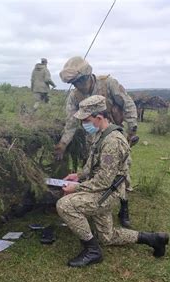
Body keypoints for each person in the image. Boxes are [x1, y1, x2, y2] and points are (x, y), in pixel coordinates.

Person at [56, 95, 169, 267]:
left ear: (99, 118)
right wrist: (78, 176)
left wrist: (76, 187)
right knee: (107, 237)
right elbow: (93, 166)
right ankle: (153, 239)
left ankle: (92, 250)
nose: (83, 124)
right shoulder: (101, 134)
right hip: (104, 190)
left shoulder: (112, 142)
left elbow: (102, 181)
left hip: (107, 193)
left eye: (86, 120)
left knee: (65, 205)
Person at [54, 56, 139, 228]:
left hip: (113, 133)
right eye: (74, 83)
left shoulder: (108, 84)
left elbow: (128, 104)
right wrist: (62, 145)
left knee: (120, 172)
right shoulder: (74, 96)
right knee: (94, 169)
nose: (78, 86)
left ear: (87, 76)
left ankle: (124, 207)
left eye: (80, 81)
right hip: (92, 139)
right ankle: (97, 205)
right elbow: (71, 122)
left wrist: (133, 128)